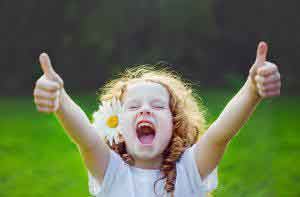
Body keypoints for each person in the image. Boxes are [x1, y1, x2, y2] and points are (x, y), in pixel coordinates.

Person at [33, 41, 281, 196]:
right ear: (118, 126)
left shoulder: (190, 170)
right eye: (133, 106)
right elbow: (85, 138)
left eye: (157, 105)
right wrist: (60, 99)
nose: (145, 110)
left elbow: (220, 134)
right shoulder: (111, 172)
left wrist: (252, 90)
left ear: (175, 123)